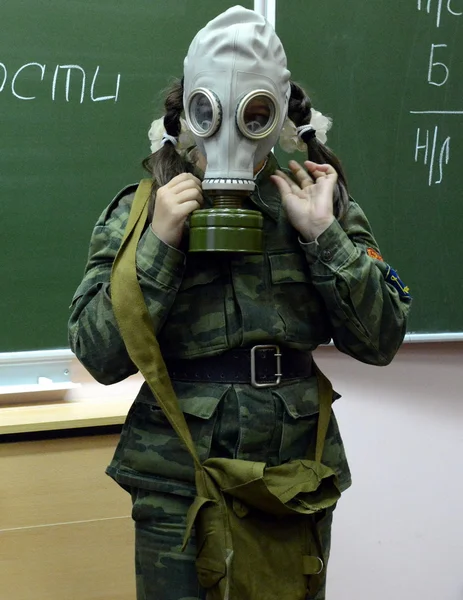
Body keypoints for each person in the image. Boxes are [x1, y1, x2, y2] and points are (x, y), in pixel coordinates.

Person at [68, 6, 411, 600]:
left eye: (255, 114)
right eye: (214, 111)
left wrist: (323, 236)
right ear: (190, 113)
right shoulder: (141, 211)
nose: (234, 129)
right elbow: (98, 353)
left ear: (278, 115)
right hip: (178, 482)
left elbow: (381, 338)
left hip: (292, 480)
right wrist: (159, 246)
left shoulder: (316, 199)